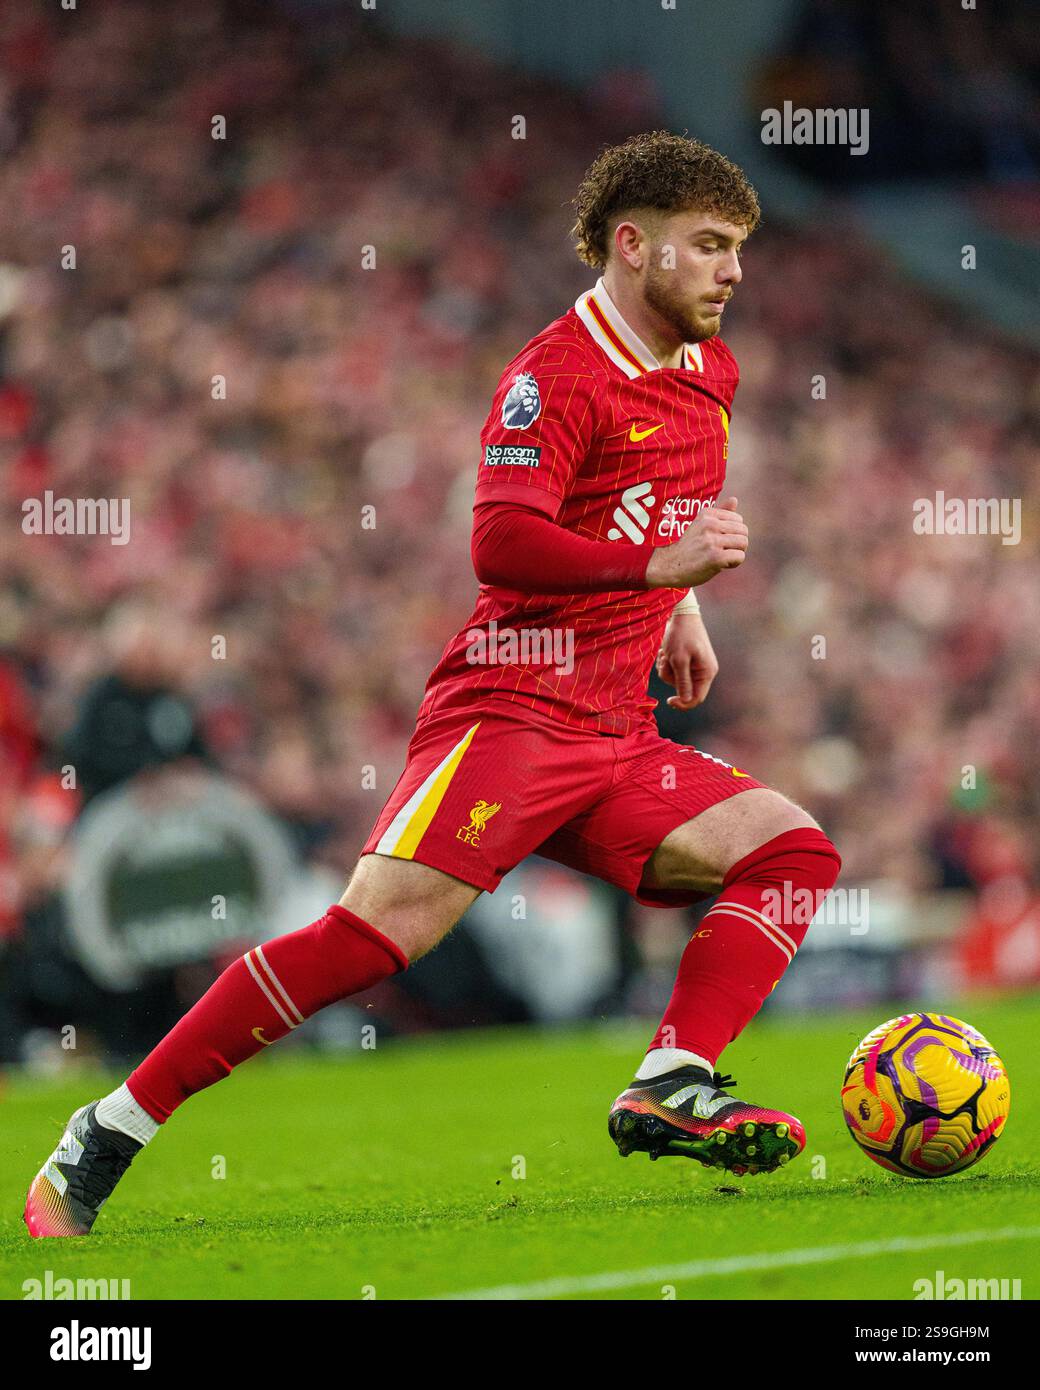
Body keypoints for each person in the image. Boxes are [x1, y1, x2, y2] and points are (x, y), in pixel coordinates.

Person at [25, 131, 840, 1238]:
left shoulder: (712, 369)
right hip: (512, 713)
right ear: (631, 244)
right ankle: (109, 1127)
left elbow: (668, 492)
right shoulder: (554, 376)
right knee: (369, 941)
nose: (732, 270)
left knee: (790, 852)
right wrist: (656, 569)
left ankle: (672, 1077)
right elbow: (501, 541)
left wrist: (680, 611)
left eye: (737, 247)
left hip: (617, 731)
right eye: (707, 245)